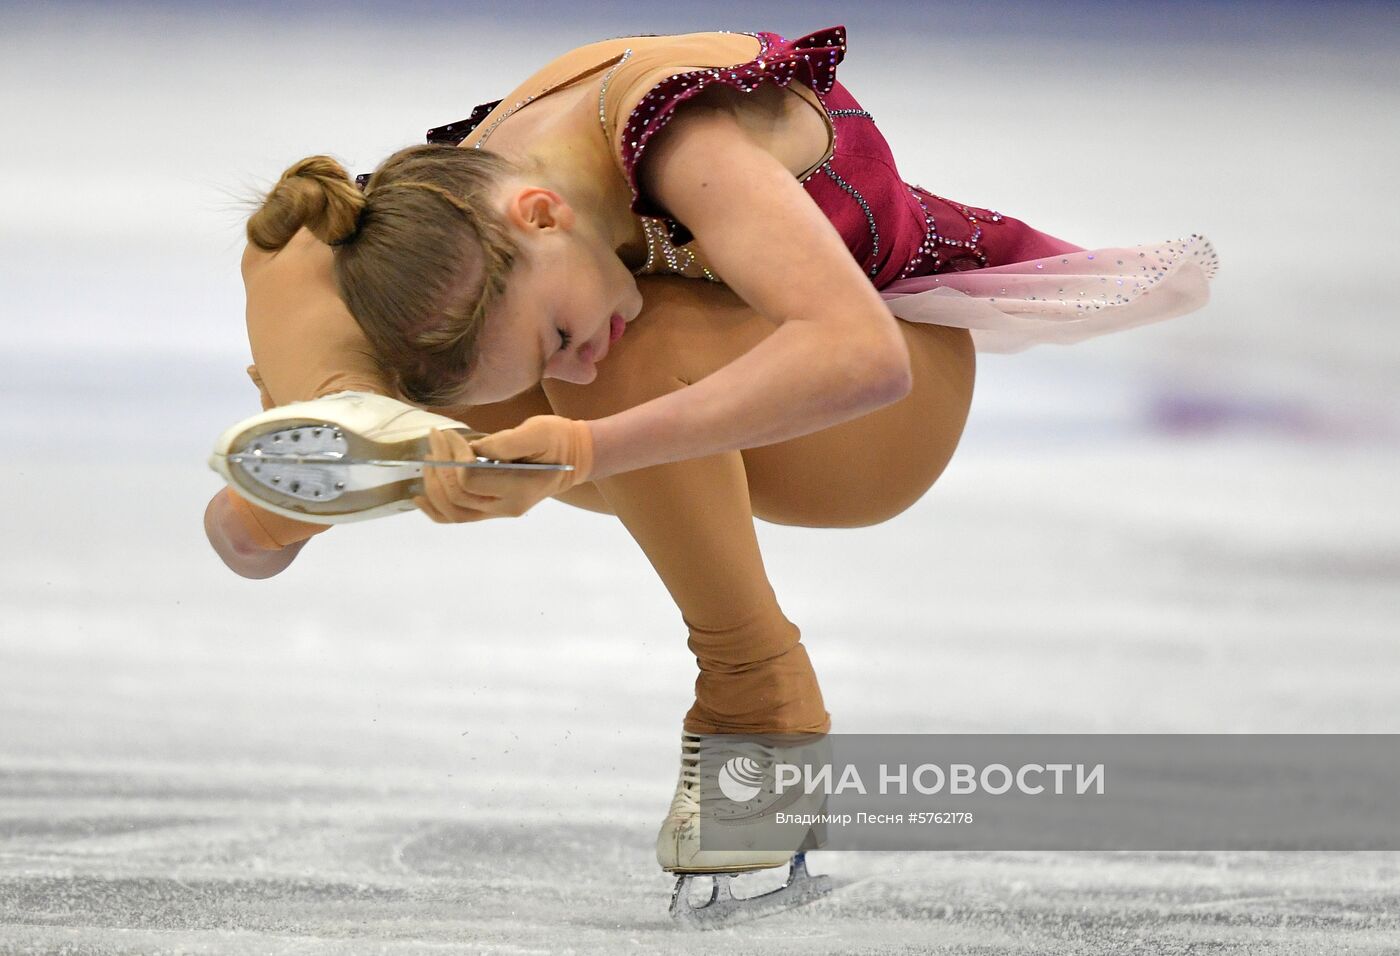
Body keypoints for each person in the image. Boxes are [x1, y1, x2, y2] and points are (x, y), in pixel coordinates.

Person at [204, 25, 1218, 900]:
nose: (573, 351)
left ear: (541, 213)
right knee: (315, 250)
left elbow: (858, 356)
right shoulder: (456, 200)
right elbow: (311, 247)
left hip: (876, 408)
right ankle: (346, 424)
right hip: (692, 389)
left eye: (555, 329)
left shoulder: (674, 136)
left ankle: (755, 697)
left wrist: (584, 446)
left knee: (620, 351)